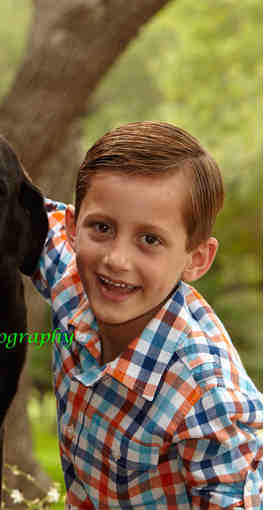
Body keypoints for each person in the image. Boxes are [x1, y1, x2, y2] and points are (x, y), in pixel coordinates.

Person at [32, 121, 262, 509]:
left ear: (196, 259)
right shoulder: (71, 279)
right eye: (102, 227)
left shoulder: (208, 399)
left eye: (150, 239)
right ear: (72, 228)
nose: (116, 259)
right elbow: (7, 203)